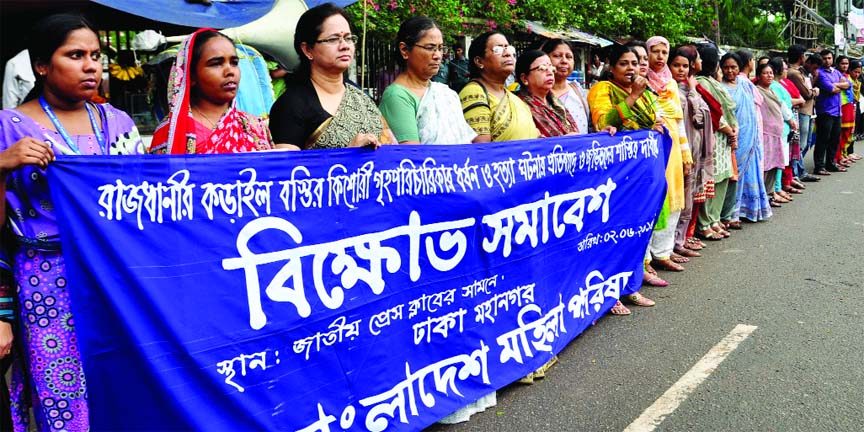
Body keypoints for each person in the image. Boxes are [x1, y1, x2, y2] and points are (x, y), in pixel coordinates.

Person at [0, 14, 144, 431]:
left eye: (96, 56)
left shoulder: (118, 122)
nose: (91, 66)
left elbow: (143, 208)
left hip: (117, 276)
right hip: (49, 279)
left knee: (125, 379)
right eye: (75, 55)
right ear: (42, 65)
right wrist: (2, 166)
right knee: (63, 391)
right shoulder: (10, 126)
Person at [587, 44, 659, 314]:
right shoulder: (602, 90)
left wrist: (655, 126)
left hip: (640, 172)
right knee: (612, 232)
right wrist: (633, 97)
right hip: (614, 175)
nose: (631, 68)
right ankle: (609, 292)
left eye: (635, 63)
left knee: (635, 230)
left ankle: (630, 285)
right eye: (624, 64)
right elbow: (604, 122)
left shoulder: (643, 93)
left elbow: (647, 121)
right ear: (611, 67)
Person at [269, 3, 394, 150]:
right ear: (308, 50)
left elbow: (392, 152)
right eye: (333, 39)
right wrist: (347, 155)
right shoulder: (290, 106)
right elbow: (288, 170)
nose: (345, 46)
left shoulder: (360, 96)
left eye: (348, 38)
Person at [149, 29, 273, 154]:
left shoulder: (254, 127)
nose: (230, 71)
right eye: (216, 64)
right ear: (191, 75)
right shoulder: (172, 132)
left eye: (234, 63)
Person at [378, 17, 477, 144]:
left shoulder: (446, 94)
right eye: (430, 48)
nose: (438, 56)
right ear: (404, 50)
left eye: (440, 48)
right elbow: (412, 157)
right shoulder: (397, 96)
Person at [645, 36, 691, 272]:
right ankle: (646, 258)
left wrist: (685, 153)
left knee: (673, 200)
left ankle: (663, 253)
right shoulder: (641, 81)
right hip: (651, 149)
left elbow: (679, 120)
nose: (660, 56)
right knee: (652, 201)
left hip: (672, 148)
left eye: (664, 52)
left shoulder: (671, 84)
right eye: (655, 51)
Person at [669, 46, 713, 259]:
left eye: (685, 66)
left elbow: (702, 117)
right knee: (678, 198)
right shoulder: (669, 90)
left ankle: (681, 239)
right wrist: (694, 92)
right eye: (676, 65)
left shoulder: (687, 88)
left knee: (689, 195)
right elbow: (697, 116)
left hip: (693, 149)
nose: (681, 70)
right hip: (677, 150)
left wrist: (693, 90)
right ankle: (672, 243)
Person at [459, 31, 539, 142]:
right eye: (498, 49)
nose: (507, 54)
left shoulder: (515, 99)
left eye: (509, 48)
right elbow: (481, 149)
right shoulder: (474, 92)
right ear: (479, 61)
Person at [721, 52, 772, 223]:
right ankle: (731, 214)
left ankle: (749, 210)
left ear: (739, 68)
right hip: (733, 137)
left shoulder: (745, 84)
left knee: (750, 172)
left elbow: (754, 106)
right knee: (734, 175)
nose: (730, 71)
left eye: (733, 67)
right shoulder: (720, 88)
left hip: (751, 136)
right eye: (726, 67)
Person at [695, 44, 738, 241]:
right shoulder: (700, 82)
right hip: (714, 134)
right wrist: (729, 130)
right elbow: (711, 112)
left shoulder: (712, 80)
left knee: (722, 178)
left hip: (725, 137)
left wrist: (733, 128)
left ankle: (714, 219)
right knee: (710, 180)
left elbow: (728, 107)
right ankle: (705, 222)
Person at [754, 62, 795, 207]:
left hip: (776, 134)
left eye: (771, 73)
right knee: (765, 166)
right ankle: (762, 195)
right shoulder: (756, 91)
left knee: (774, 165)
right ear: (758, 76)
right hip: (765, 134)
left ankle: (770, 194)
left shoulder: (772, 90)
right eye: (765, 73)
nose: (769, 75)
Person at [514, 49, 579, 137]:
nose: (550, 73)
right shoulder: (518, 107)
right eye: (542, 68)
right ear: (525, 78)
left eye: (551, 68)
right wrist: (564, 141)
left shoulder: (555, 103)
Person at [540, 39, 596, 135]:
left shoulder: (578, 91)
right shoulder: (537, 93)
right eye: (557, 56)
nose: (564, 61)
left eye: (569, 57)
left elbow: (590, 127)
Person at [786, 45, 821, 183]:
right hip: (802, 111)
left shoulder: (800, 72)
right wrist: (815, 91)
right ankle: (797, 172)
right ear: (801, 57)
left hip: (808, 110)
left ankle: (798, 170)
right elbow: (807, 93)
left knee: (806, 143)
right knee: (800, 144)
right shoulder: (794, 73)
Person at [813, 49, 849, 175]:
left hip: (837, 111)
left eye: (829, 58)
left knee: (834, 139)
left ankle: (831, 163)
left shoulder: (836, 72)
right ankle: (819, 166)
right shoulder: (819, 73)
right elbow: (832, 89)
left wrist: (836, 85)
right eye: (824, 58)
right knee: (823, 139)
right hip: (825, 110)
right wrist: (838, 85)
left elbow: (848, 84)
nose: (827, 60)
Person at [835, 55, 856, 168]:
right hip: (840, 106)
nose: (845, 66)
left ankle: (842, 154)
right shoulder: (836, 75)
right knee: (839, 133)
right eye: (842, 63)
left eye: (846, 64)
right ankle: (837, 157)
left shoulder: (847, 76)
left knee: (847, 132)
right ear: (837, 64)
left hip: (849, 106)